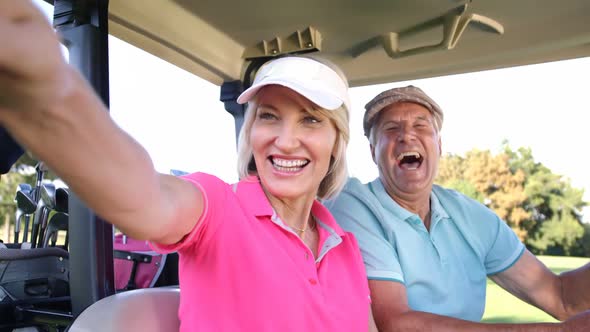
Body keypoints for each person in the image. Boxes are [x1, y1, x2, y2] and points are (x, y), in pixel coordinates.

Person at [0, 2, 376, 331]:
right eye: (269, 116)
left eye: (310, 120)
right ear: (251, 131)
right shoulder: (219, 208)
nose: (286, 139)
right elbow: (146, 198)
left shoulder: (344, 245)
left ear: (336, 142)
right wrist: (48, 92)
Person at [326, 85, 590, 331]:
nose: (407, 135)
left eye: (421, 125)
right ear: (373, 152)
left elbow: (561, 297)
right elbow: (396, 322)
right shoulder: (353, 204)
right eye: (392, 128)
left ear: (439, 146)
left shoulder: (471, 216)